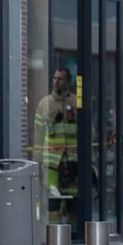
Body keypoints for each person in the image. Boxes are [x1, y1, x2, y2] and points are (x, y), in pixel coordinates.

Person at [33, 68, 78, 223]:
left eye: (60, 79)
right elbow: (38, 135)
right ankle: (54, 233)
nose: (56, 82)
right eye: (54, 78)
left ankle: (74, 232)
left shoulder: (76, 103)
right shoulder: (44, 104)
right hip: (51, 163)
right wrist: (37, 161)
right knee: (52, 201)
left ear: (68, 82)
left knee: (74, 202)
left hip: (72, 160)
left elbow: (87, 132)